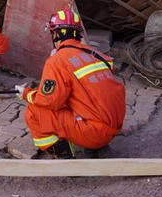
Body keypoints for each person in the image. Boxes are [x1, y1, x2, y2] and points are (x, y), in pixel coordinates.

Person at [16, 9, 125, 159]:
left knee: (34, 111)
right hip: (113, 127)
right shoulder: (95, 54)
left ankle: (64, 157)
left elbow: (49, 101)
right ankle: (95, 148)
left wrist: (26, 94)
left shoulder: (57, 61)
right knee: (72, 101)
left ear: (55, 34)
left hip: (95, 132)